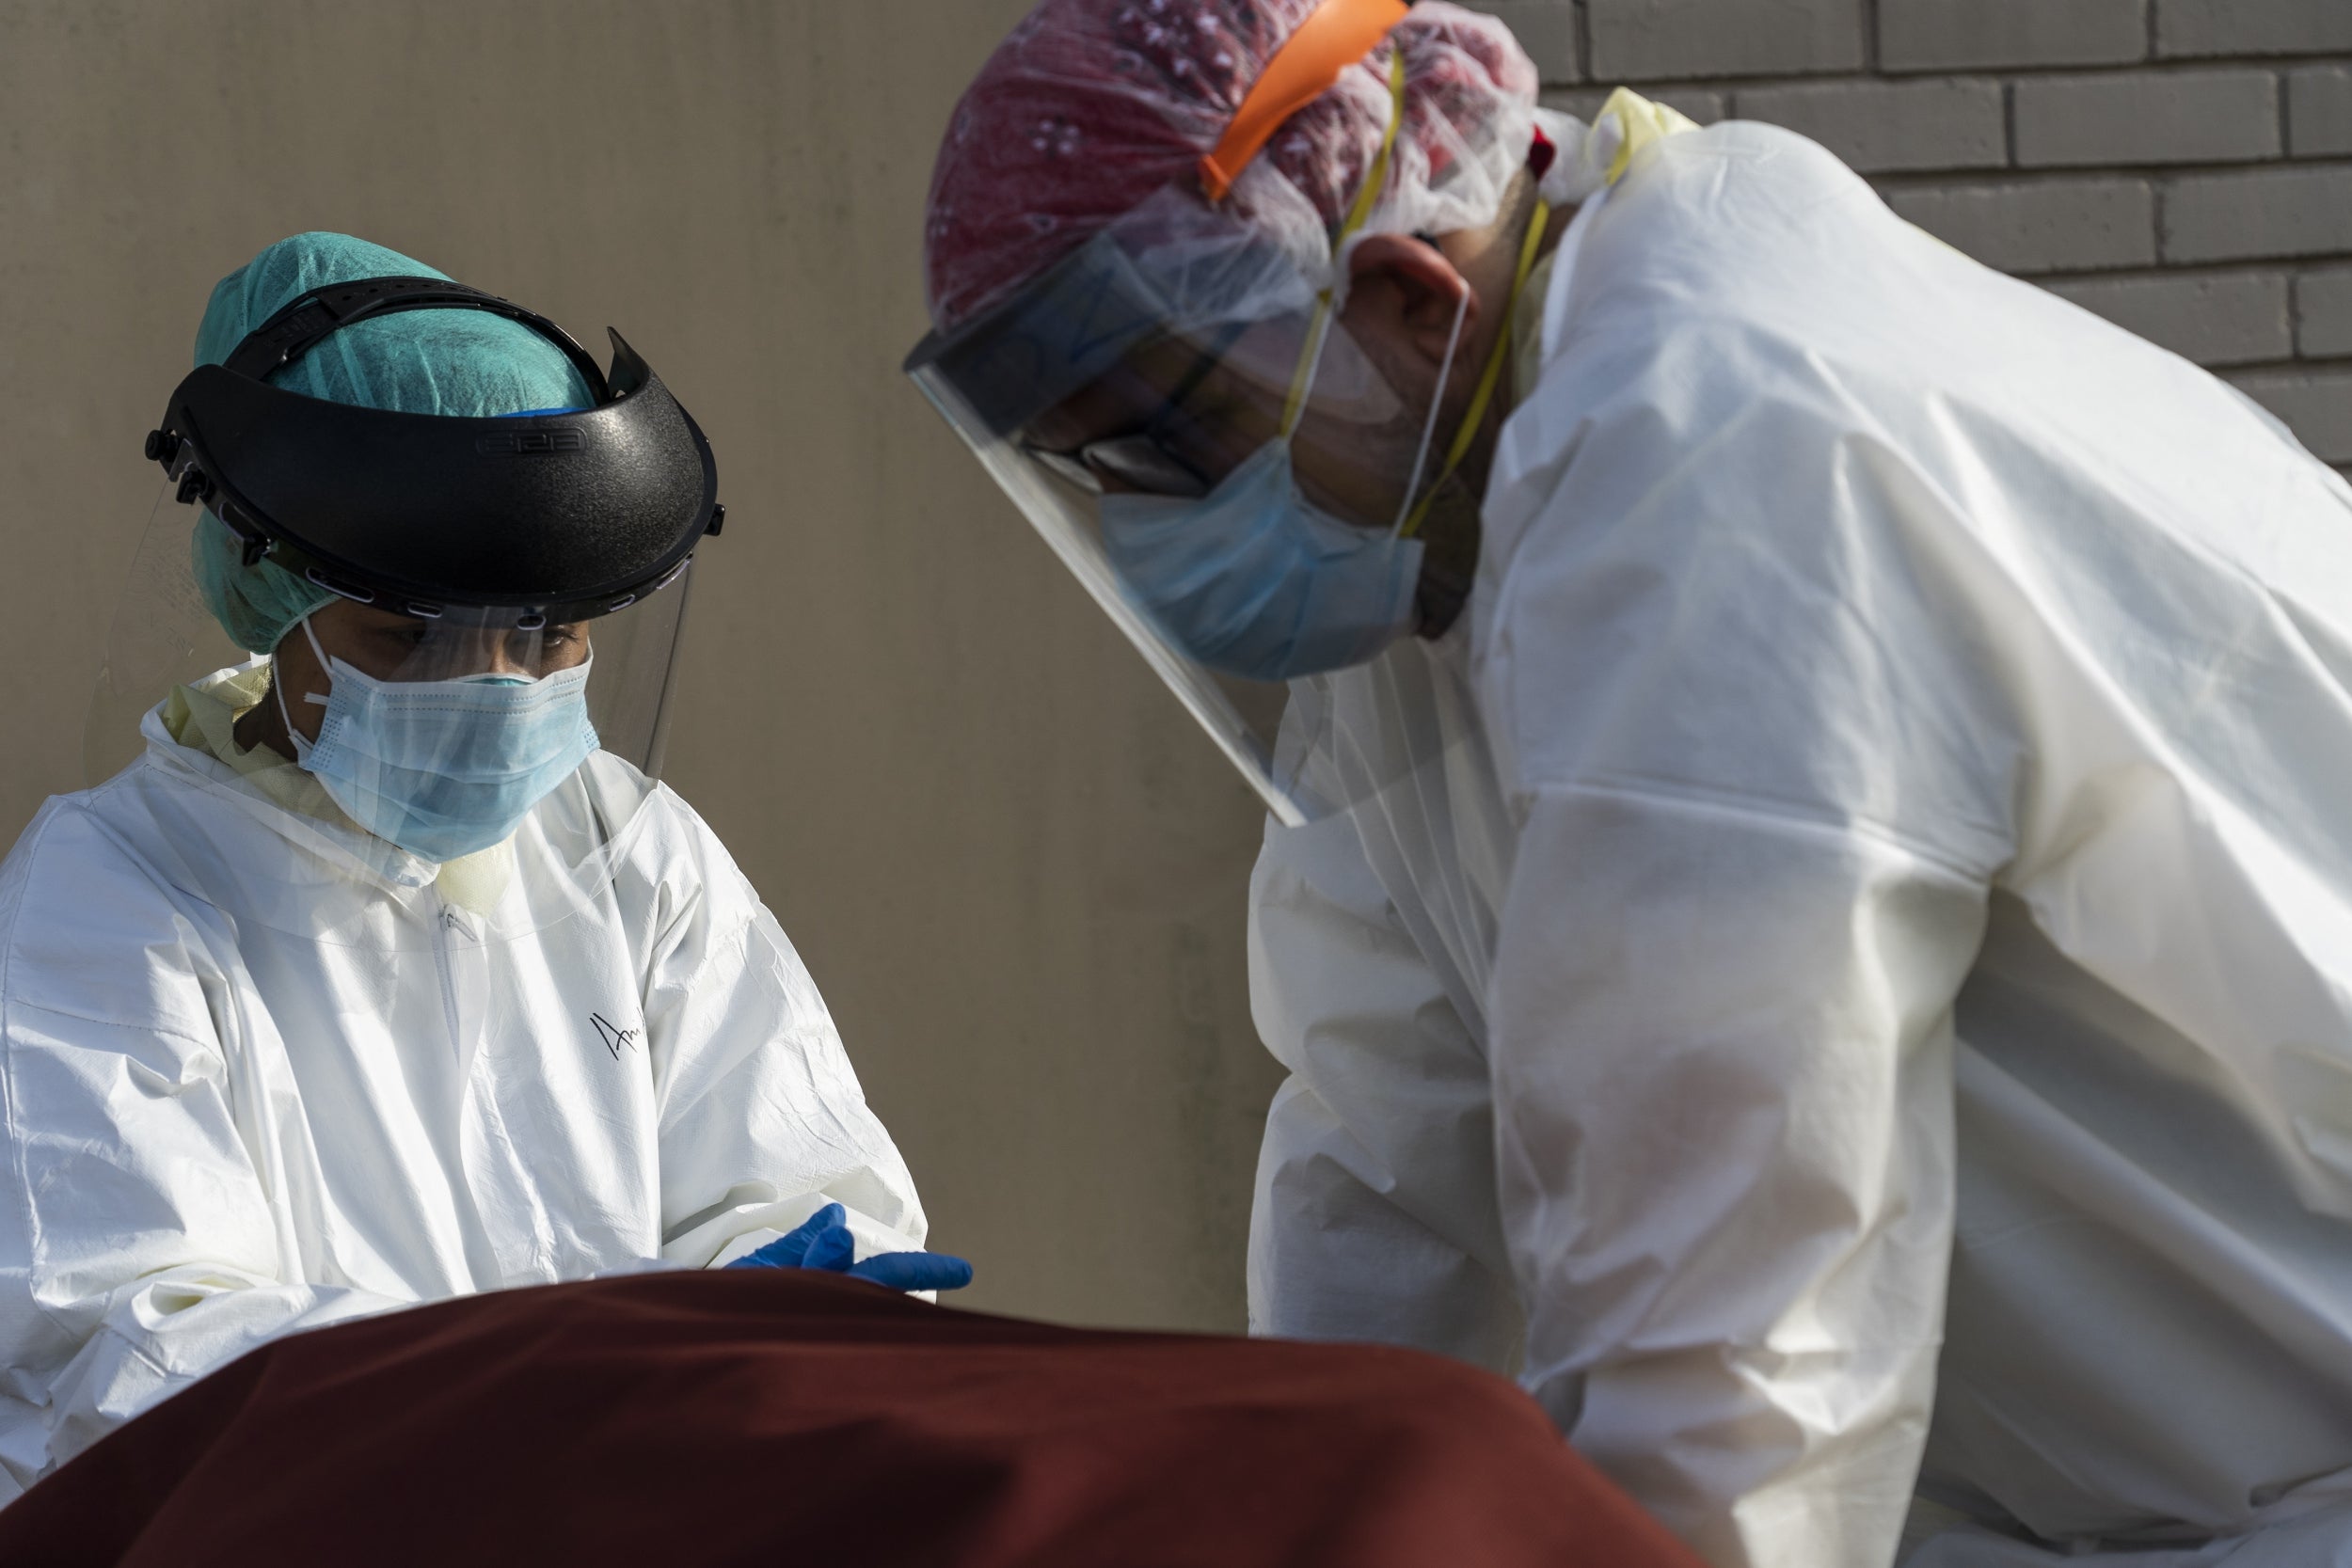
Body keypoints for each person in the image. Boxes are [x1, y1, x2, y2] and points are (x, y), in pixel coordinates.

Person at [908, 3, 2352, 1565]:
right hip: (2111, 1492)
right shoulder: (1436, 508)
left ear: (1404, 297)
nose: (1152, 531)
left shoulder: (1727, 464)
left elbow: (1732, 1353)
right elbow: (1384, 1151)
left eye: (1176, 450)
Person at [0, 231, 967, 1502]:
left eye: (552, 634)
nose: (494, 693)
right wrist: (590, 1392)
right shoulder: (109, 894)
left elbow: (794, 1194)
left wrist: (796, 1326)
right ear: (266, 588)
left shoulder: (625, 848)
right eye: (406, 634)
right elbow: (138, 1353)